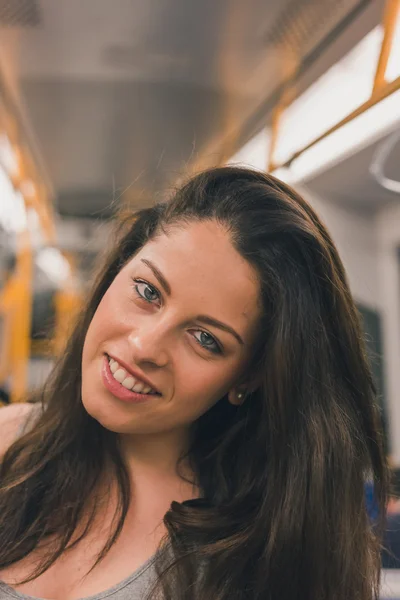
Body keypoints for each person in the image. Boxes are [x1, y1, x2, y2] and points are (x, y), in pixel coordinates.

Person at [0, 167, 389, 600]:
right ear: (117, 271)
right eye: (148, 291)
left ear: (248, 377)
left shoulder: (260, 561)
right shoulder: (8, 441)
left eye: (206, 339)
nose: (145, 345)